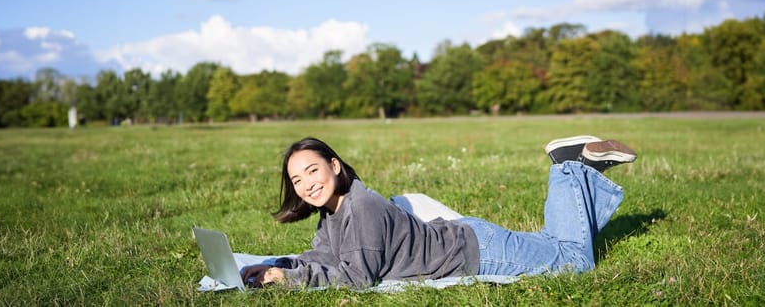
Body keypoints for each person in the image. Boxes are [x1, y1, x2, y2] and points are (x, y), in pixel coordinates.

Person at [241, 135, 637, 289]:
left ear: (335, 165)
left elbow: (356, 277)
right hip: (467, 239)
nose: (307, 184)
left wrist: (288, 280)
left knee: (574, 261)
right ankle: (580, 167)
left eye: (313, 170)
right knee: (558, 247)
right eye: (297, 180)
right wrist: (279, 265)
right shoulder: (334, 210)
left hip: (475, 253)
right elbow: (326, 257)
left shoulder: (360, 207)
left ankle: (570, 166)